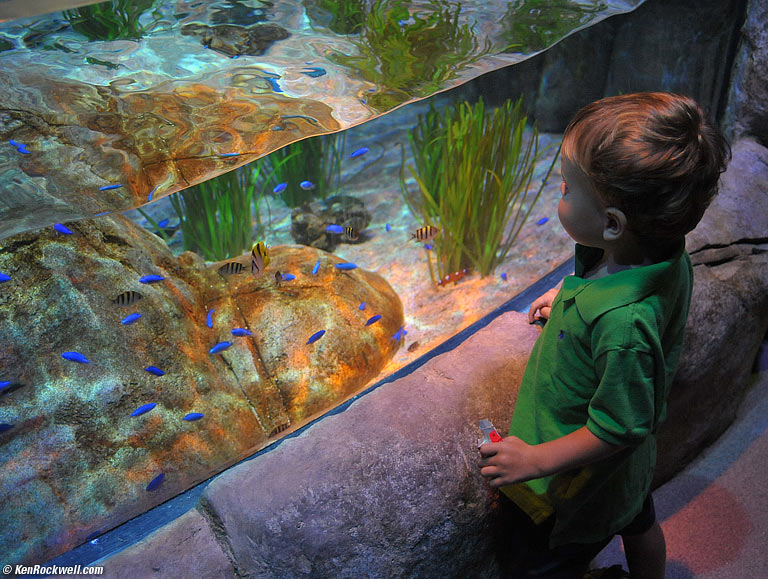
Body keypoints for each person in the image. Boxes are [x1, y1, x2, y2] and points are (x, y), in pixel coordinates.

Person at [478, 92, 731, 579]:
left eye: (567, 187)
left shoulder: (624, 325)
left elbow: (620, 427)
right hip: (630, 474)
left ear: (613, 224)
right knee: (639, 523)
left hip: (582, 485)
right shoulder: (661, 254)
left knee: (546, 563)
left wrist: (535, 460)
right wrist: (571, 294)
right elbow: (608, 281)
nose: (559, 193)